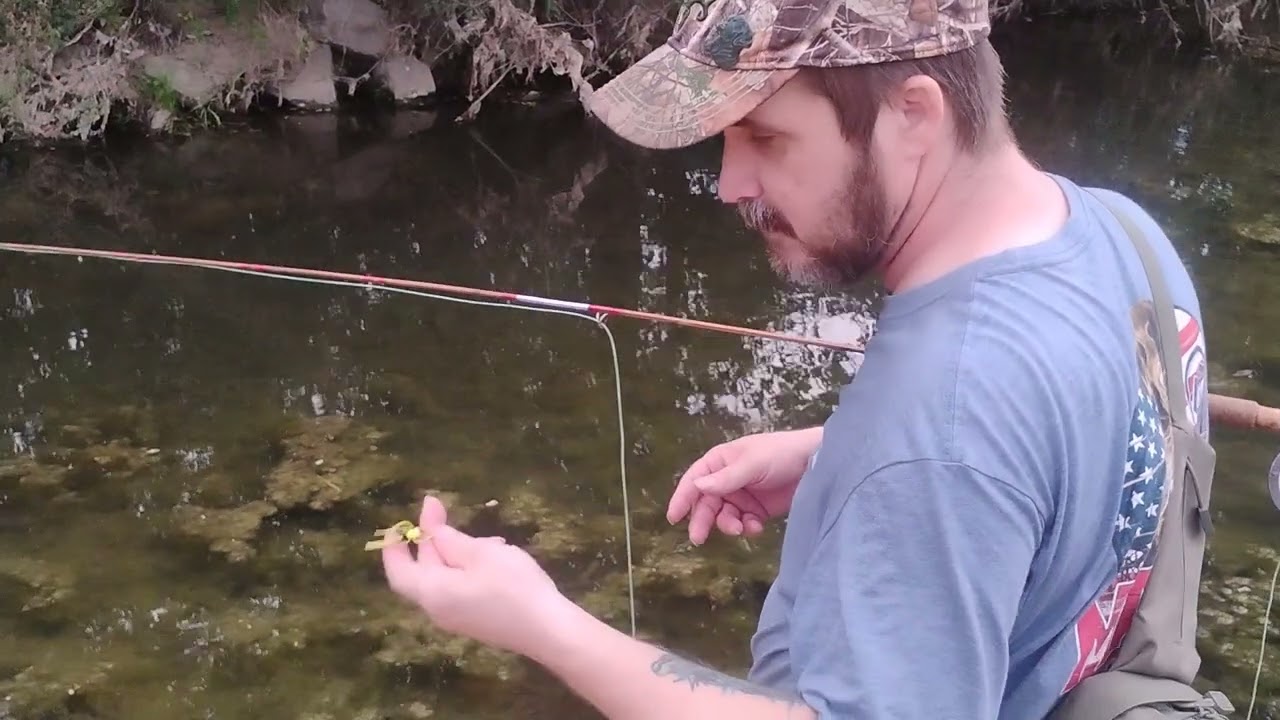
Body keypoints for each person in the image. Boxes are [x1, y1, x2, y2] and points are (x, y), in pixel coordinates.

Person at [379, 0, 1213, 717]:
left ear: (914, 116)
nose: (730, 183)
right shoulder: (1122, 238)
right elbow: (1092, 446)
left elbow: (953, 444)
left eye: (765, 137)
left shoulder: (935, 423)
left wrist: (544, 624)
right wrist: (836, 454)